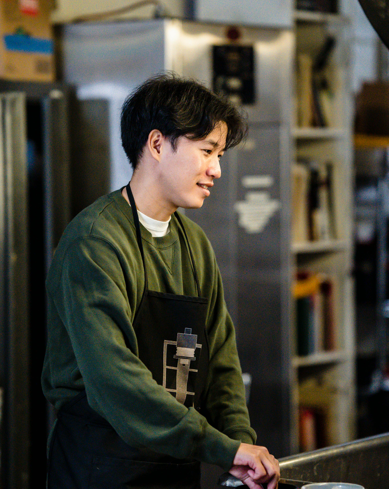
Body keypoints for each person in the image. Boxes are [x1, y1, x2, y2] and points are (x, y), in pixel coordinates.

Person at [42, 73, 280, 489]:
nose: (217, 170)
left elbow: (221, 362)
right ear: (156, 144)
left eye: (219, 154)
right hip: (102, 469)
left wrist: (239, 446)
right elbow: (115, 380)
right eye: (207, 151)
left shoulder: (194, 244)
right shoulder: (95, 241)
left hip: (174, 468)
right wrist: (222, 448)